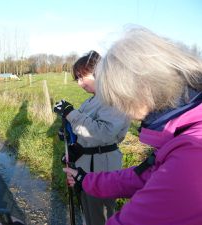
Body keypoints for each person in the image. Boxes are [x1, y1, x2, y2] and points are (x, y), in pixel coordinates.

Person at [64, 27, 202, 225]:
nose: (118, 105)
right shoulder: (180, 132)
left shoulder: (192, 152)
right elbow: (143, 176)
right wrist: (84, 180)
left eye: (118, 95)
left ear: (143, 86)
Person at [54, 51, 130, 225]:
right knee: (87, 212)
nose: (80, 83)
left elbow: (104, 133)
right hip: (85, 164)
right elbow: (84, 132)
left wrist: (70, 113)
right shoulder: (91, 101)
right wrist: (72, 142)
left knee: (100, 216)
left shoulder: (114, 98)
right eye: (77, 79)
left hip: (101, 166)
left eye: (82, 77)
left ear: (99, 72)